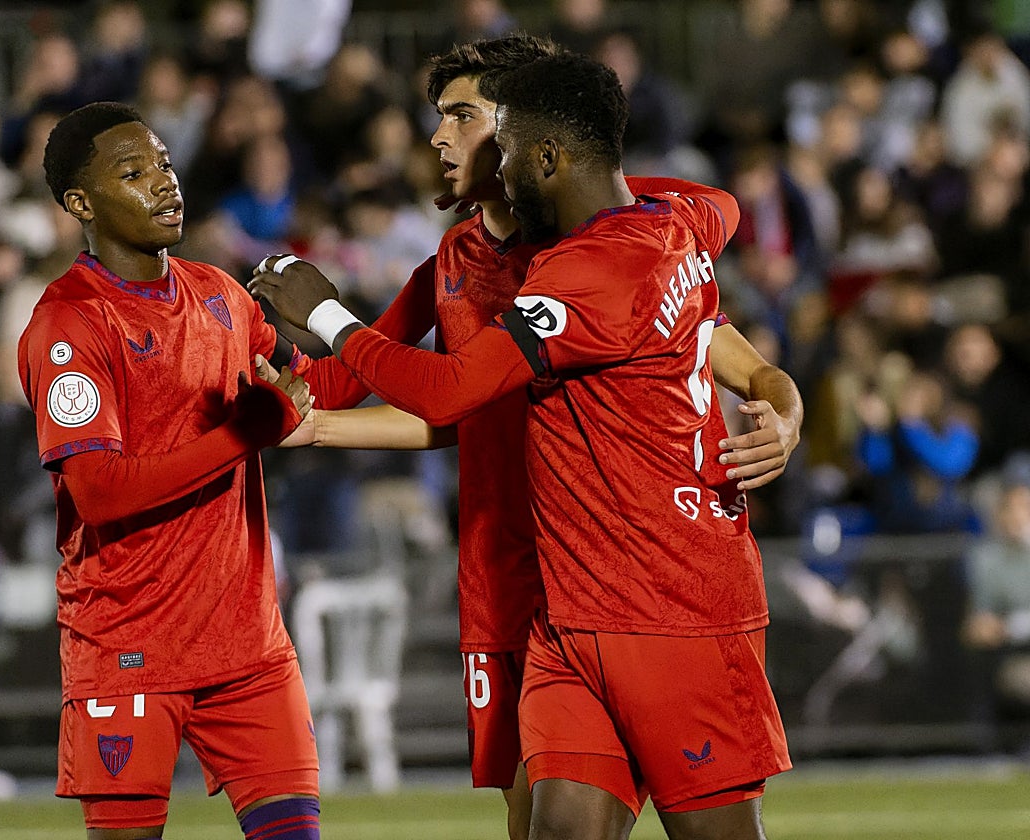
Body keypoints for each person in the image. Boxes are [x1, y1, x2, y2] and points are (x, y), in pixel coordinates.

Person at [252, 48, 798, 840]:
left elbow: (447, 387)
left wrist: (783, 397)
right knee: (549, 828)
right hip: (534, 588)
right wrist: (249, 365)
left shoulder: (595, 259)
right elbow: (366, 386)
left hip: (667, 597)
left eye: (467, 120)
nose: (440, 139)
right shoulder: (470, 257)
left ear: (533, 145)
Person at [17, 102, 319, 840]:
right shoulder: (70, 323)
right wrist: (245, 432)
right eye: (133, 172)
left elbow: (309, 390)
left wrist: (362, 322)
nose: (163, 184)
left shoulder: (219, 293)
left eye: (163, 165)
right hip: (129, 649)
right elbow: (97, 491)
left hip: (248, 649)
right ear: (80, 204)